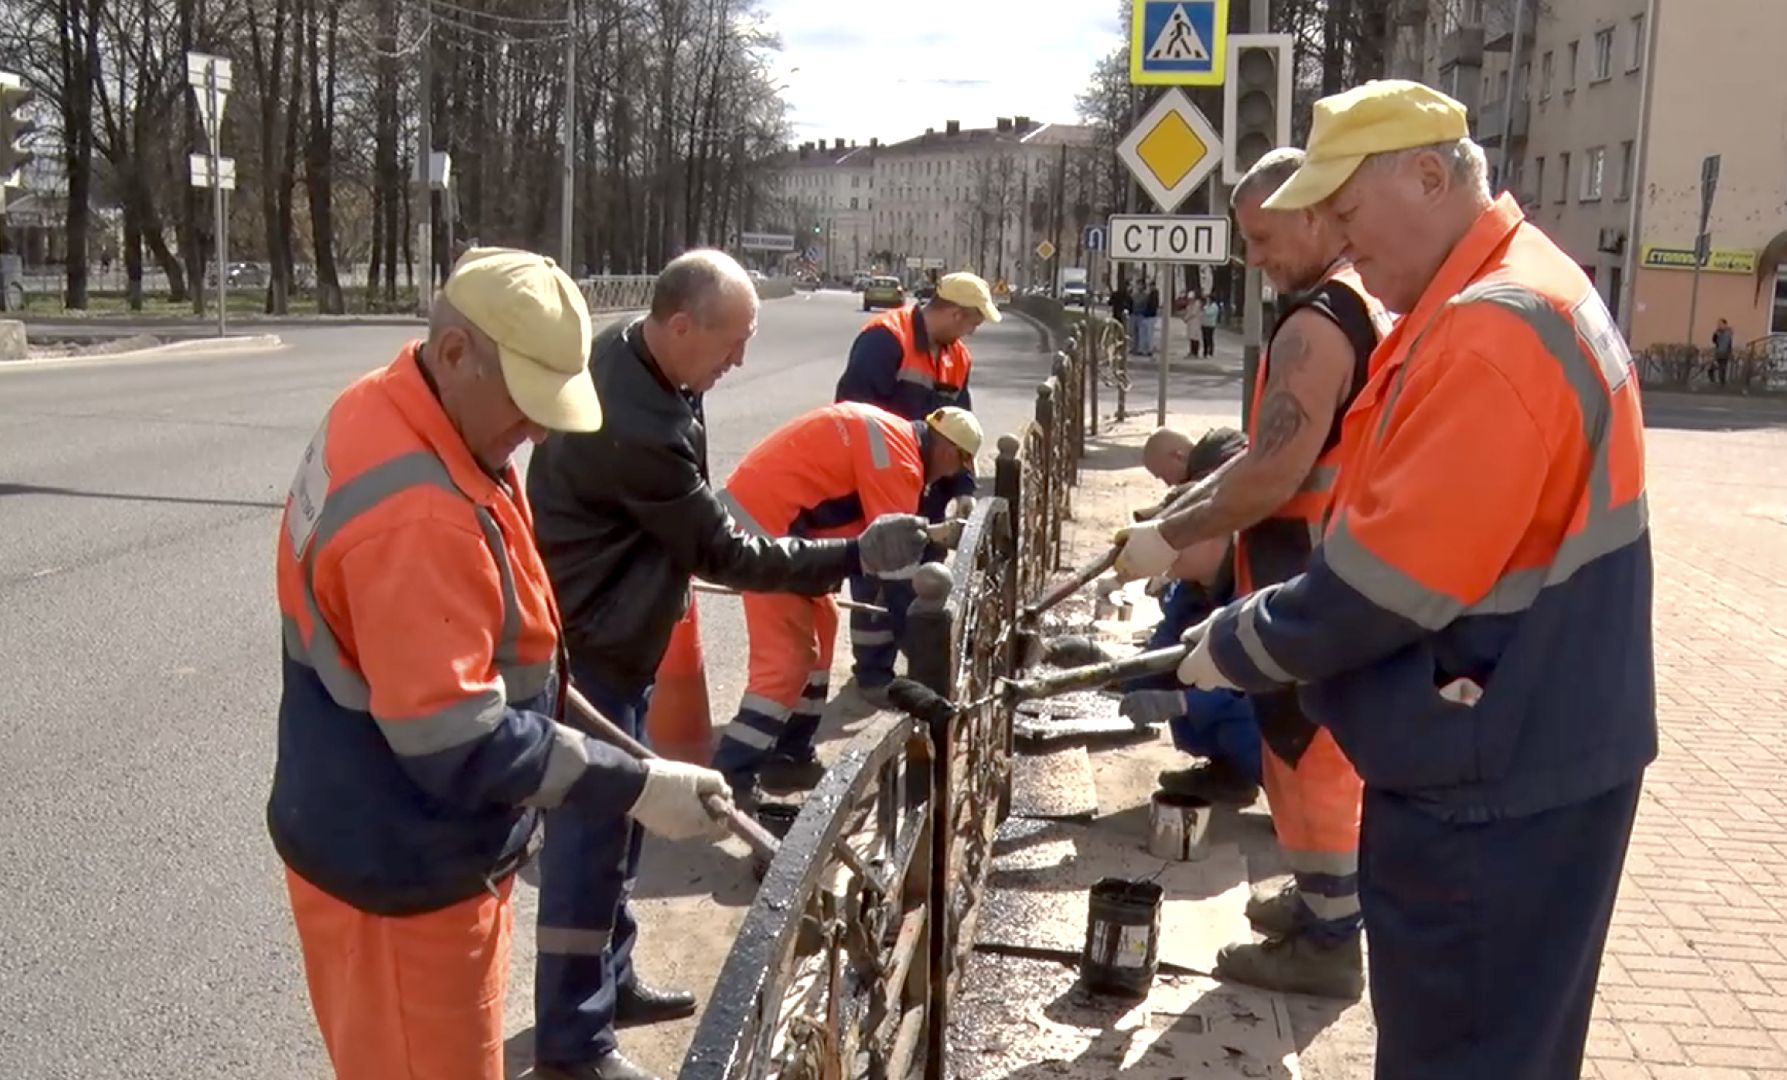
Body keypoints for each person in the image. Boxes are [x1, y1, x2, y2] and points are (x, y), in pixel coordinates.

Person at [1171, 82, 1655, 1078]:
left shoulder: (1494, 326)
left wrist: (1232, 643)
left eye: (1347, 216)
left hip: (1493, 767)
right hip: (1533, 733)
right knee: (1506, 1045)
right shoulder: (1510, 290)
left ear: (1426, 177)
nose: (1344, 247)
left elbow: (1383, 584)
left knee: (1460, 1052)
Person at [269, 247, 735, 1080]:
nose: (539, 430)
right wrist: (633, 787)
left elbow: (506, 657)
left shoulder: (398, 410)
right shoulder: (418, 514)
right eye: (526, 402)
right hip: (402, 874)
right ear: (455, 353)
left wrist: (638, 758)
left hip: (381, 839)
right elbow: (458, 741)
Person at [526, 249, 932, 1080]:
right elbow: (726, 550)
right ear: (680, 326)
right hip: (593, 648)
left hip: (616, 633)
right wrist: (852, 554)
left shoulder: (651, 369)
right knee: (589, 838)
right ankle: (573, 1040)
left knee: (626, 827)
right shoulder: (635, 422)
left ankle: (611, 981)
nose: (740, 359)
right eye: (732, 341)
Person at [1117, 146, 1394, 999]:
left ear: (1313, 213)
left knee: (1306, 755)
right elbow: (1269, 453)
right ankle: (1322, 904)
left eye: (1264, 237)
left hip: (1309, 566)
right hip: (1324, 559)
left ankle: (1327, 942)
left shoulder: (1315, 323)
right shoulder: (1356, 304)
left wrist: (1173, 536)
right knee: (1306, 754)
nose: (1254, 259)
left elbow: (1273, 471)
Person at [710, 404, 982, 793]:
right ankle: (727, 782)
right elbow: (899, 577)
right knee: (787, 658)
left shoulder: (899, 440)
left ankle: (790, 756)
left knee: (823, 627)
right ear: (949, 452)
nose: (950, 477)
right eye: (957, 468)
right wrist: (928, 661)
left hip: (781, 525)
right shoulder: (899, 464)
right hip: (763, 532)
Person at [833, 271, 998, 710]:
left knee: (926, 575)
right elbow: (853, 414)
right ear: (955, 312)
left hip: (926, 483)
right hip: (876, 478)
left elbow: (960, 424)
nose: (973, 332)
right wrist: (886, 477)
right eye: (973, 322)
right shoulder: (885, 339)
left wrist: (962, 484)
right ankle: (876, 672)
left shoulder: (957, 356)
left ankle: (920, 665)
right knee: (878, 574)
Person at [1118, 426, 1262, 804]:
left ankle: (1292, 797)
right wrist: (1102, 671)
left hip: (1294, 722)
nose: (1168, 552)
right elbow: (1159, 656)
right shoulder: (1189, 592)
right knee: (1180, 683)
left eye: (1179, 537)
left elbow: (1263, 685)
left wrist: (1183, 704)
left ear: (1215, 534)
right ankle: (1231, 772)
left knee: (1237, 711)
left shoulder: (1257, 581)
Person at [1710, 316, 1734, 386]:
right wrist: (1715, 335)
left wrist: (1729, 353)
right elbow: (1714, 341)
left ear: (1725, 324)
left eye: (1720, 324)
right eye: (1718, 324)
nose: (1719, 325)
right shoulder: (1718, 332)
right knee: (1712, 368)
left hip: (1724, 353)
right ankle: (1715, 381)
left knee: (1722, 369)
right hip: (1718, 353)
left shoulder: (1728, 333)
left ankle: (1722, 383)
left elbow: (1729, 344)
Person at [1183, 292, 1206, 357]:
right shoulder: (1190, 304)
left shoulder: (1197, 304)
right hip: (1191, 323)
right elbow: (1188, 311)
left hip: (1195, 322)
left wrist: (1187, 318)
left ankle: (1195, 352)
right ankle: (1191, 351)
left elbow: (1193, 313)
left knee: (1195, 337)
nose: (1190, 300)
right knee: (1191, 337)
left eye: (1191, 299)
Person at [1201, 293, 1220, 358]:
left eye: (1208, 299)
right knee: (1204, 339)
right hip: (1204, 324)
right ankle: (1205, 352)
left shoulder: (1214, 306)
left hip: (1210, 325)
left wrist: (1205, 309)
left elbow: (1209, 313)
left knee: (1209, 338)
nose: (1207, 300)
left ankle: (1210, 352)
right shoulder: (1207, 306)